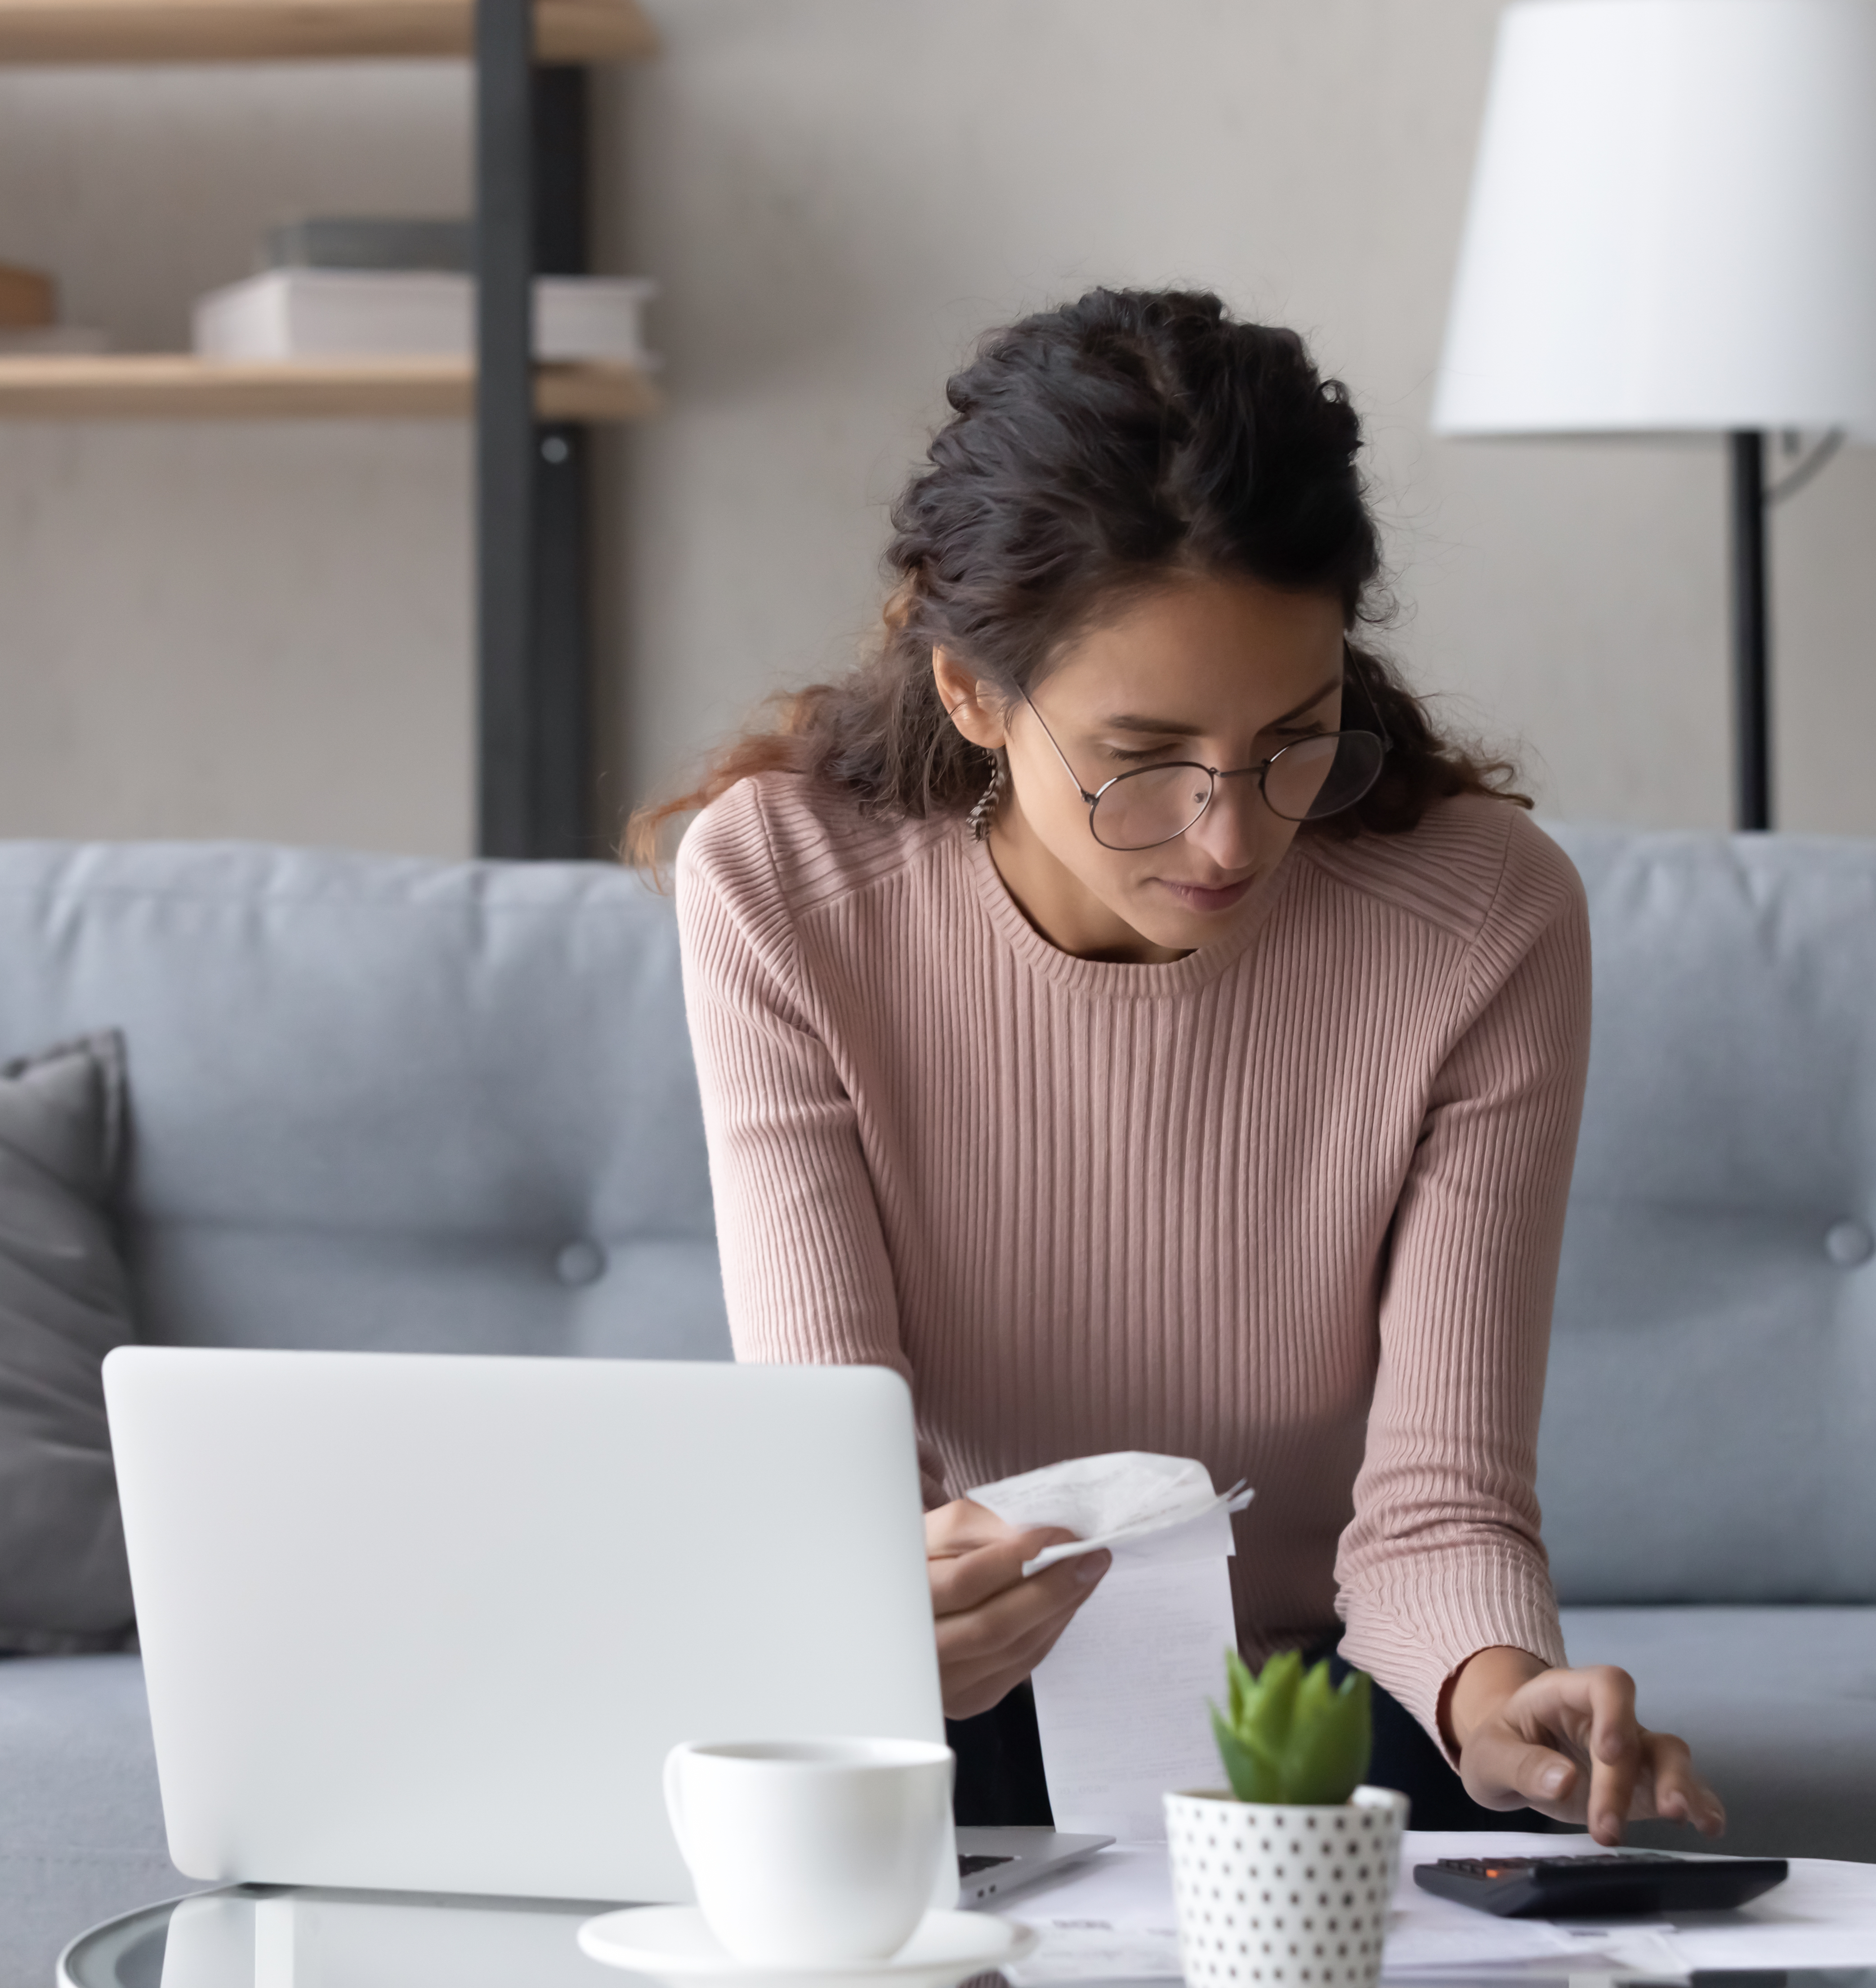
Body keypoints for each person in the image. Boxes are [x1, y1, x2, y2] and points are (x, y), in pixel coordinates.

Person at [631, 288, 1722, 1847]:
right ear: (972, 696)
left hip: (1324, 1699)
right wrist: (879, 1619)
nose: (1232, 836)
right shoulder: (791, 887)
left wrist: (1495, 1692)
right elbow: (833, 1473)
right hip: (949, 1687)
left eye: (1296, 735)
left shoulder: (1483, 916)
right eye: (1144, 761)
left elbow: (1435, 1506)